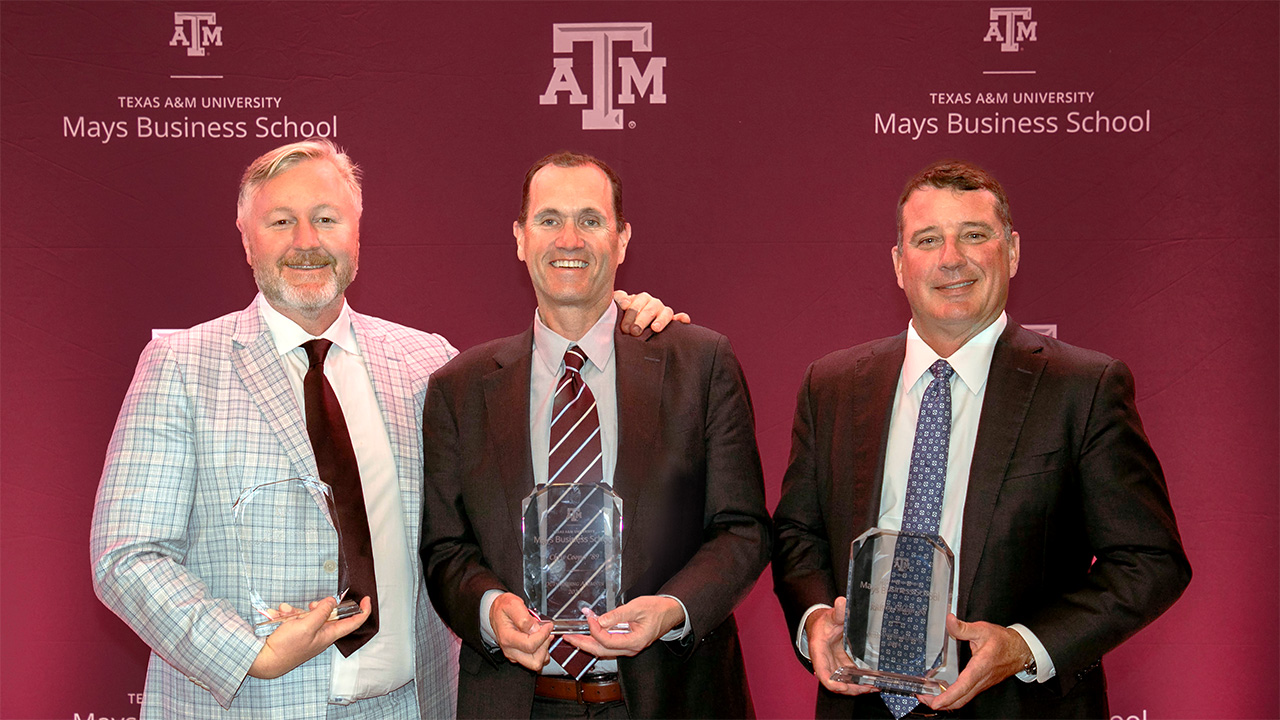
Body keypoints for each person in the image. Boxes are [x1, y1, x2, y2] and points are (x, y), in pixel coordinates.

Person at [89, 139, 682, 719]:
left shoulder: (428, 364)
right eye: (281, 221)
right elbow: (126, 556)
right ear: (245, 239)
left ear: (356, 234)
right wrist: (252, 654)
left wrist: (611, 319)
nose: (306, 242)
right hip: (248, 704)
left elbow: (477, 519)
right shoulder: (183, 366)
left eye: (327, 219)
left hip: (409, 704)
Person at [771, 160, 1191, 719]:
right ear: (899, 265)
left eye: (974, 235)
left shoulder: (1084, 388)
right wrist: (816, 618)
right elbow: (798, 532)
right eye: (927, 239)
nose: (952, 258)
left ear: (1011, 251)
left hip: (1021, 705)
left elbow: (1149, 559)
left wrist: (1024, 646)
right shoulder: (832, 385)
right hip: (860, 706)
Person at [420, 151, 771, 719]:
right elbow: (444, 547)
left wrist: (671, 610)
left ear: (622, 239)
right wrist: (488, 608)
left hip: (673, 700)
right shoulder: (459, 389)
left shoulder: (700, 364)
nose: (569, 239)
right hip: (521, 704)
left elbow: (742, 530)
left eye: (590, 220)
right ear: (519, 237)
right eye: (549, 219)